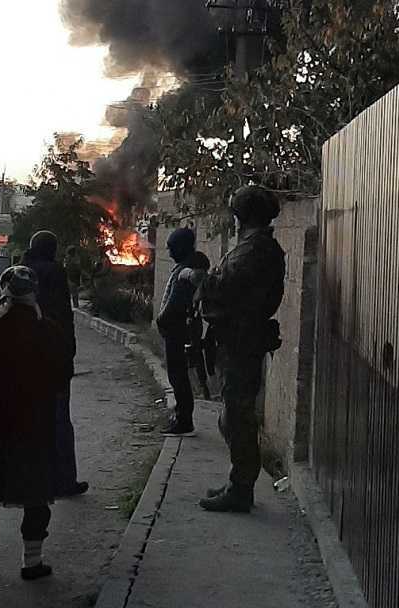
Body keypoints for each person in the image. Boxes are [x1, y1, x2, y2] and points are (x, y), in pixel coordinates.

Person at [181, 186, 286, 513]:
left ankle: (241, 489)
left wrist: (198, 278)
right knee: (232, 417)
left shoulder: (255, 250)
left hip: (242, 342)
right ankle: (238, 481)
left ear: (242, 215)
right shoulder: (254, 247)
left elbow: (224, 288)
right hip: (238, 340)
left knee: (237, 418)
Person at [0, 266, 69, 580]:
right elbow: (61, 379)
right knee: (36, 492)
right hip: (35, 426)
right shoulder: (49, 330)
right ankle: (32, 562)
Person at [22, 231, 88, 497]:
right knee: (59, 420)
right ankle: (63, 481)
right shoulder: (54, 273)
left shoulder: (22, 273)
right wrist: (68, 352)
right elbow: (63, 316)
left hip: (25, 359)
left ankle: (27, 478)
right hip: (53, 358)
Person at [155, 228, 210, 436]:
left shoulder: (189, 270)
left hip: (179, 329)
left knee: (178, 376)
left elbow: (176, 304)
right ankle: (181, 417)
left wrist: (162, 320)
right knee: (178, 376)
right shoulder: (186, 267)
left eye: (172, 248)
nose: (169, 253)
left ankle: (184, 421)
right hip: (178, 328)